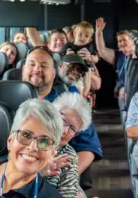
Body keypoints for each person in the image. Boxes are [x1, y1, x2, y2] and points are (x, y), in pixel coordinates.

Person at [22, 46, 103, 175]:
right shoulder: (6, 97)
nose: (37, 69)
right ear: (23, 69)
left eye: (44, 66)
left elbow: (88, 146)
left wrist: (68, 177)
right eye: (32, 64)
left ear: (54, 73)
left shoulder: (69, 100)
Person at [48, 92, 92, 198]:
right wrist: (39, 172)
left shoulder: (69, 156)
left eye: (72, 129)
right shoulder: (29, 141)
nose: (64, 131)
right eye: (63, 120)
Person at [94, 18, 136, 107]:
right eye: (120, 41)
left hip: (136, 86)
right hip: (123, 88)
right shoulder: (119, 55)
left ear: (131, 41)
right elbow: (101, 50)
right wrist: (98, 33)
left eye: (124, 40)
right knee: (123, 92)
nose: (122, 43)